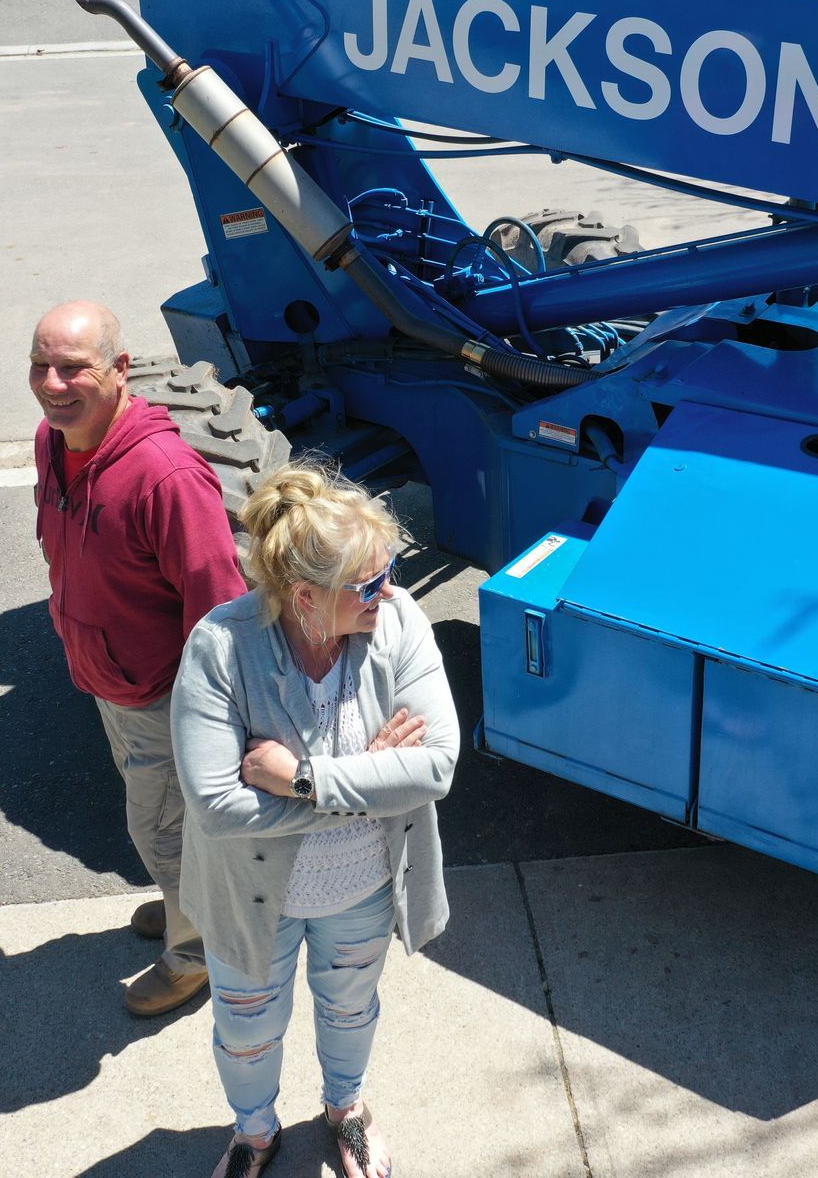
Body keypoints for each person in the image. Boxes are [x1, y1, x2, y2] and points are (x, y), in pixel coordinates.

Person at [172, 463, 459, 1178]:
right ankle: (255, 1132)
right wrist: (372, 775)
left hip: (360, 889)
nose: (387, 590)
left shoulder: (397, 623)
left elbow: (437, 766)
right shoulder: (220, 647)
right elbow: (214, 804)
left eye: (388, 568)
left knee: (350, 1009)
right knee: (245, 1032)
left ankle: (346, 1109)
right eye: (367, 583)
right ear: (305, 596)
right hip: (250, 900)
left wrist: (304, 778)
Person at [30, 300, 247, 1016]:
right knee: (163, 824)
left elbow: (217, 604)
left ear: (121, 371)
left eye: (73, 369)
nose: (52, 385)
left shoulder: (167, 476)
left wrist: (209, 717)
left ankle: (196, 955)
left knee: (161, 828)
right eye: (41, 366)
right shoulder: (54, 439)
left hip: (160, 692)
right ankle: (184, 903)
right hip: (107, 677)